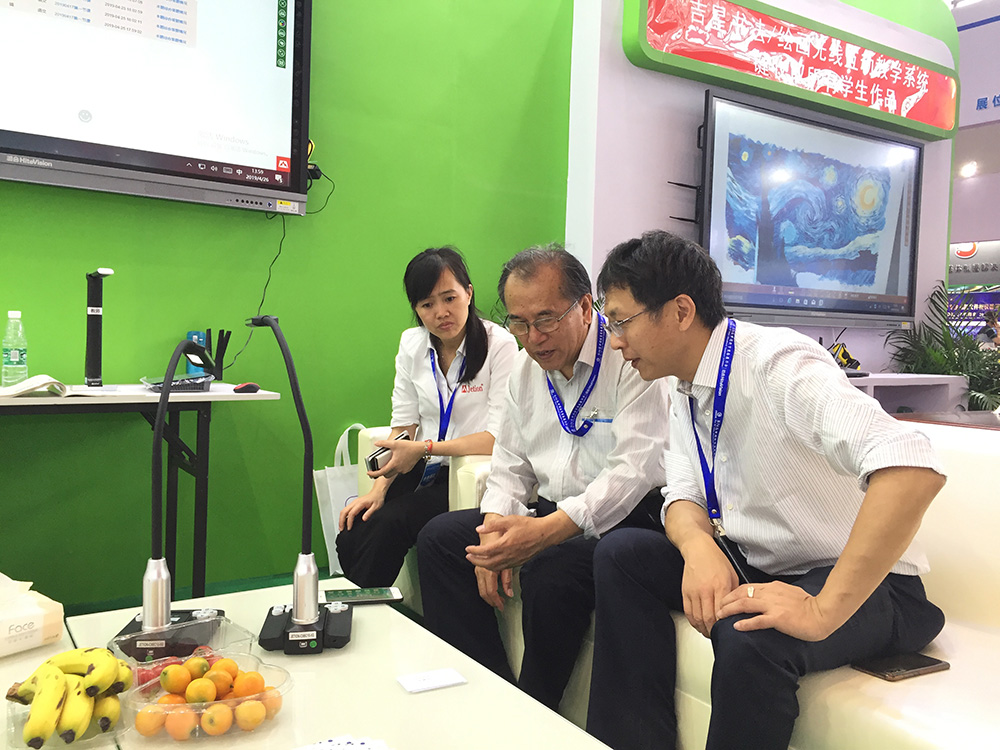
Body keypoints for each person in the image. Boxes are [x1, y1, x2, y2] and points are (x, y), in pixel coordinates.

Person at [586, 230, 947, 750]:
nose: (616, 342)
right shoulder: (679, 383)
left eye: (621, 321)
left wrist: (821, 610)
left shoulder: (779, 364)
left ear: (681, 311)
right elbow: (682, 494)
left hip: (874, 588)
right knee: (620, 555)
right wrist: (699, 547)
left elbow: (912, 465)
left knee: (747, 634)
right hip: (762, 564)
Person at [416, 244, 668, 711]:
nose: (533, 338)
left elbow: (634, 471)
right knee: (442, 540)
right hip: (550, 512)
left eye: (547, 319)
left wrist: (546, 532)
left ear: (585, 306)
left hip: (624, 521)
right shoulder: (525, 370)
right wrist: (495, 530)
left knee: (552, 569)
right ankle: (487, 693)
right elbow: (510, 462)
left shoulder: (631, 359)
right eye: (519, 323)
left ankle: (533, 710)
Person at [336, 246, 518, 587]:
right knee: (357, 524)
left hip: (467, 472)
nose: (441, 313)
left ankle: (367, 605)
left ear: (468, 293)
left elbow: (496, 439)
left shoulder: (500, 345)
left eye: (449, 298)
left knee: (393, 523)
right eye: (427, 304)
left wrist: (425, 448)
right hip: (422, 465)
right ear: (416, 309)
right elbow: (403, 426)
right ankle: (358, 604)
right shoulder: (412, 344)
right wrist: (379, 489)